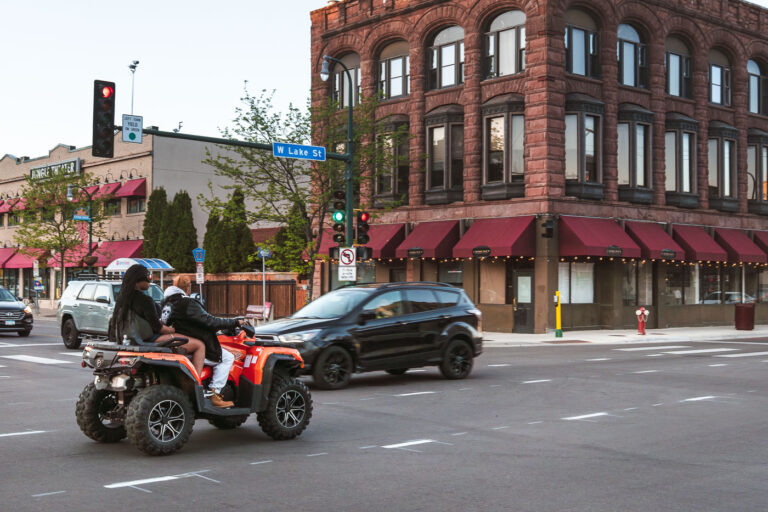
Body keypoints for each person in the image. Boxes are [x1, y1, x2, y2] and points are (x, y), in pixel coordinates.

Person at [108, 264, 207, 376]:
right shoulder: (145, 300)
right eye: (148, 277)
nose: (150, 280)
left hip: (131, 341)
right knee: (200, 345)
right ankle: (196, 382)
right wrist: (173, 329)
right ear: (137, 280)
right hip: (149, 340)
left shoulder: (122, 300)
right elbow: (158, 328)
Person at [161, 275, 243, 409]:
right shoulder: (186, 303)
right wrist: (234, 322)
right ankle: (215, 394)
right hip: (194, 342)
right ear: (188, 288)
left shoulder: (166, 303)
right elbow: (210, 321)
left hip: (179, 342)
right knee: (227, 358)